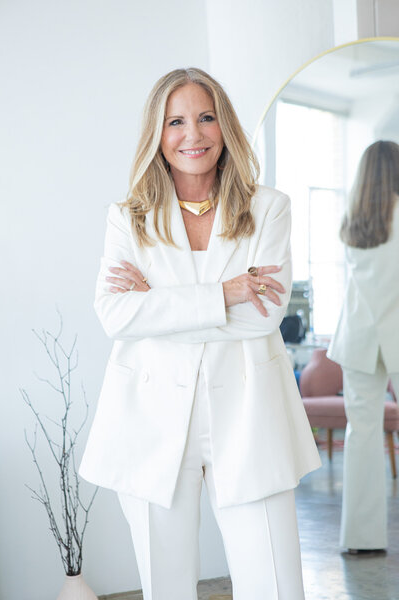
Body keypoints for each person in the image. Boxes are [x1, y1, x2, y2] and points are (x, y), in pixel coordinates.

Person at [79, 67, 321, 600]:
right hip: (149, 418)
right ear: (157, 135)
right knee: (166, 587)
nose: (194, 134)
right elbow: (116, 317)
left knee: (275, 586)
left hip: (251, 413)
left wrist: (157, 305)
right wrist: (224, 293)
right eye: (176, 122)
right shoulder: (128, 218)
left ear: (225, 125)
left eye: (206, 117)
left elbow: (263, 317)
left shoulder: (268, 207)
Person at [328, 140, 399, 553]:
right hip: (393, 334)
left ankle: (361, 539)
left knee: (362, 437)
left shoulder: (353, 221)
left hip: (357, 338)